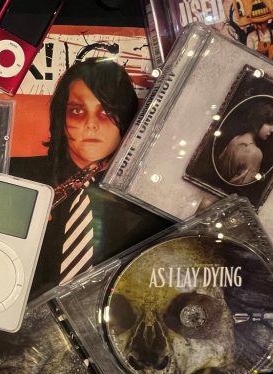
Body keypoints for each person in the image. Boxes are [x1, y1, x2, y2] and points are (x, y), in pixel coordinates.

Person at [9, 58, 167, 297]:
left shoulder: (150, 202)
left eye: (107, 112)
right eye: (77, 111)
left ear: (127, 118)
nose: (91, 124)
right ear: (61, 118)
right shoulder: (14, 175)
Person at [216, 102, 273, 185]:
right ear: (259, 121)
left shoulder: (236, 139)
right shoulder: (255, 153)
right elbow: (240, 186)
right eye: (270, 123)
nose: (272, 129)